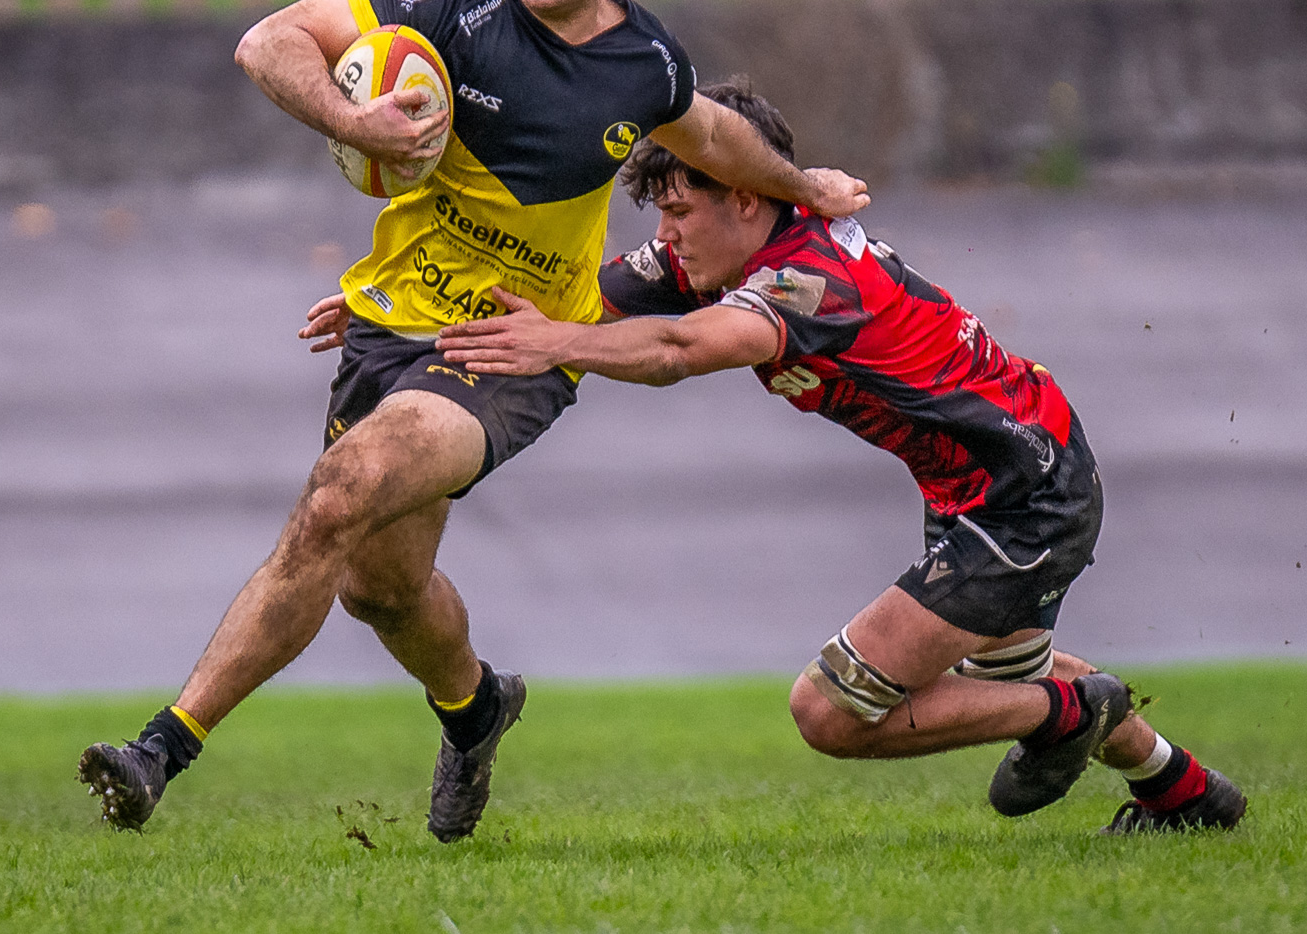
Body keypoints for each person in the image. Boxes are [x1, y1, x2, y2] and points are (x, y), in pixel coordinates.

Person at [76, 0, 869, 841]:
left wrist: (807, 188)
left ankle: (160, 748)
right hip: (387, 325)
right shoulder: (450, 7)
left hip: (510, 347)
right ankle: (476, 707)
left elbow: (711, 134)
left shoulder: (644, 65)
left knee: (340, 493)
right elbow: (271, 41)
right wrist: (354, 119)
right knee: (380, 586)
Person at [424, 79, 1248, 833]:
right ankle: (1184, 793)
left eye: (680, 211)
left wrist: (556, 344)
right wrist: (403, 320)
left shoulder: (809, 277)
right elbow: (580, 299)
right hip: (992, 478)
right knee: (1004, 680)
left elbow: (678, 348)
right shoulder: (731, 251)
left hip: (1025, 489)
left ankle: (1064, 718)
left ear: (746, 198)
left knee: (831, 710)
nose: (666, 235)